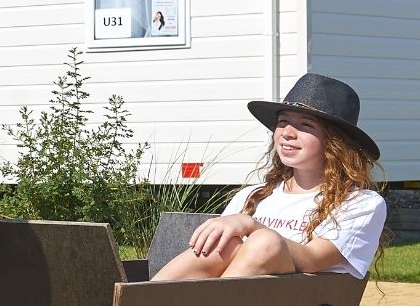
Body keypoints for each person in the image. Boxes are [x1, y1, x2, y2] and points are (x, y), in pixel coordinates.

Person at [153, 73, 386, 281]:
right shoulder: (253, 195)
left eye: (305, 125)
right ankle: (145, 305)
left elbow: (314, 259)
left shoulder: (361, 203)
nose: (287, 133)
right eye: (282, 122)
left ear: (335, 142)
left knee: (266, 242)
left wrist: (251, 225)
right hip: (236, 300)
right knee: (223, 244)